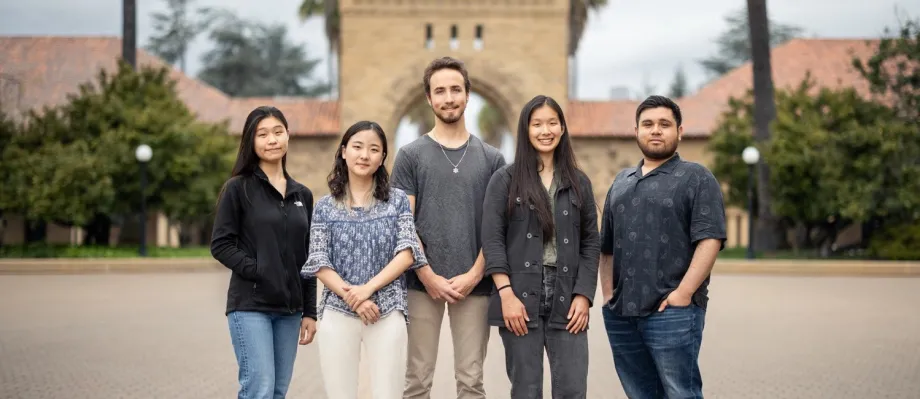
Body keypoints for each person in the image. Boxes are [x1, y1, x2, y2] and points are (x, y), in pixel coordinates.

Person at [392, 56, 507, 399]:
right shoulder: (410, 155)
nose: (448, 98)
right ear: (429, 98)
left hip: (476, 283)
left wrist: (474, 274)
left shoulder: (492, 159)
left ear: (468, 95)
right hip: (419, 283)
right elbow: (403, 222)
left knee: (471, 381)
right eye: (439, 91)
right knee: (417, 380)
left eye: (456, 89)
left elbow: (497, 227)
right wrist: (427, 275)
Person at [599, 95, 727, 399]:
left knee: (680, 393)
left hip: (672, 312)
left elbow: (710, 239)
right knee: (639, 393)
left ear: (679, 132)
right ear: (637, 131)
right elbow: (606, 246)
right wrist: (607, 296)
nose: (656, 130)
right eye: (648, 124)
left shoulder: (696, 178)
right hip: (621, 313)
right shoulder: (621, 181)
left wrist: (682, 294)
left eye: (664, 124)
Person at [482, 95, 600, 399]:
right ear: (526, 129)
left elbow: (590, 242)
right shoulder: (504, 181)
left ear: (562, 128)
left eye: (552, 123)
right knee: (526, 390)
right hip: (519, 297)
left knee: (572, 389)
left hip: (568, 298)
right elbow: (493, 239)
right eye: (537, 124)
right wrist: (506, 294)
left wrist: (584, 295)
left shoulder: (579, 183)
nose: (545, 130)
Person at [301, 120, 426, 399]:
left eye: (373, 149)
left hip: (387, 309)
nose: (364, 155)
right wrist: (353, 297)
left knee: (388, 393)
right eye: (357, 147)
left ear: (382, 158)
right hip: (337, 310)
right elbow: (319, 261)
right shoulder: (324, 206)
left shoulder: (397, 201)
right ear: (344, 151)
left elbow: (407, 253)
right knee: (340, 393)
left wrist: (367, 290)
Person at [210, 106, 318, 399]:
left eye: (278, 132)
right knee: (259, 388)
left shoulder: (302, 195)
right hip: (250, 306)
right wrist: (259, 270)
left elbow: (308, 258)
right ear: (251, 142)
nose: (272, 140)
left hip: (290, 311)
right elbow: (220, 244)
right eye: (263, 134)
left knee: (278, 391)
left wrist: (310, 311)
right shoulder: (238, 189)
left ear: (287, 137)